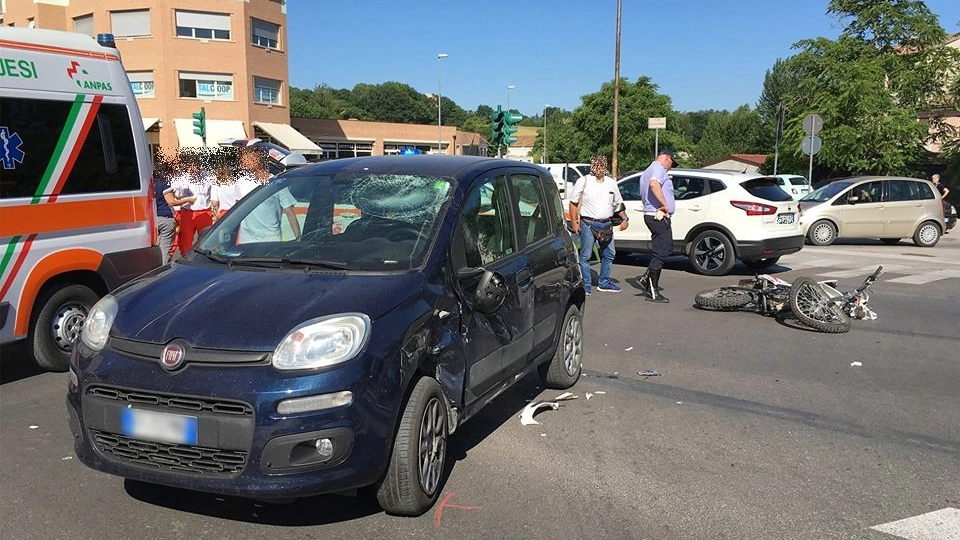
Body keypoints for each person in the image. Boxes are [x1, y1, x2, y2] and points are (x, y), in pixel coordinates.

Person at [568, 155, 629, 295]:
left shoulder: (611, 183)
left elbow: (618, 204)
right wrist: (574, 222)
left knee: (609, 254)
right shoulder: (583, 181)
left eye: (602, 165)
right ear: (592, 166)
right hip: (588, 224)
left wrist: (625, 219)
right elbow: (573, 203)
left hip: (606, 224)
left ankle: (604, 282)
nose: (600, 168)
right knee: (585, 256)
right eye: (597, 165)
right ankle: (587, 285)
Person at [636, 149, 677, 303]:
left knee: (667, 247)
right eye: (672, 162)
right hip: (657, 215)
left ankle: (646, 278)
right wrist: (664, 204)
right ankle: (653, 289)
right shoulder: (658, 169)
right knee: (661, 252)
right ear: (667, 158)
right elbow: (654, 185)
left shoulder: (649, 169)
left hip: (654, 215)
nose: (671, 166)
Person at [236, 148, 301, 242]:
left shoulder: (276, 182)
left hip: (270, 239)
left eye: (247, 159)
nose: (243, 162)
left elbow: (289, 212)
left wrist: (298, 238)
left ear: (258, 160)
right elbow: (238, 212)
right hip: (246, 239)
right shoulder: (241, 182)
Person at [154, 168, 196, 265]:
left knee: (155, 247)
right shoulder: (163, 184)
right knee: (165, 248)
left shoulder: (149, 185)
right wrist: (188, 200)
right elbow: (171, 202)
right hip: (165, 218)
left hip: (153, 219)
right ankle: (162, 269)